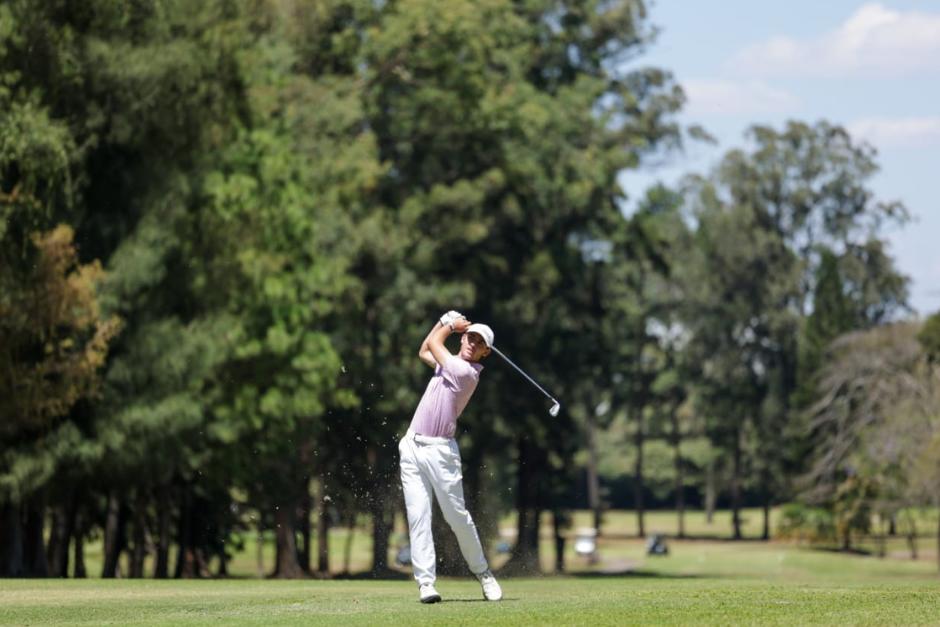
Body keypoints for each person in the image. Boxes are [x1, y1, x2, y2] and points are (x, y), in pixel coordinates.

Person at [398, 310, 503, 604]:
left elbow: (434, 343)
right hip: (411, 446)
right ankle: (426, 584)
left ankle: (483, 573)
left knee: (457, 518)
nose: (472, 342)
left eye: (479, 342)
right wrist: (444, 324)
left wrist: (448, 323)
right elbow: (424, 348)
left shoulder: (466, 373)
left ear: (485, 353)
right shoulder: (448, 365)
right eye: (470, 336)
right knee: (418, 516)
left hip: (440, 452)